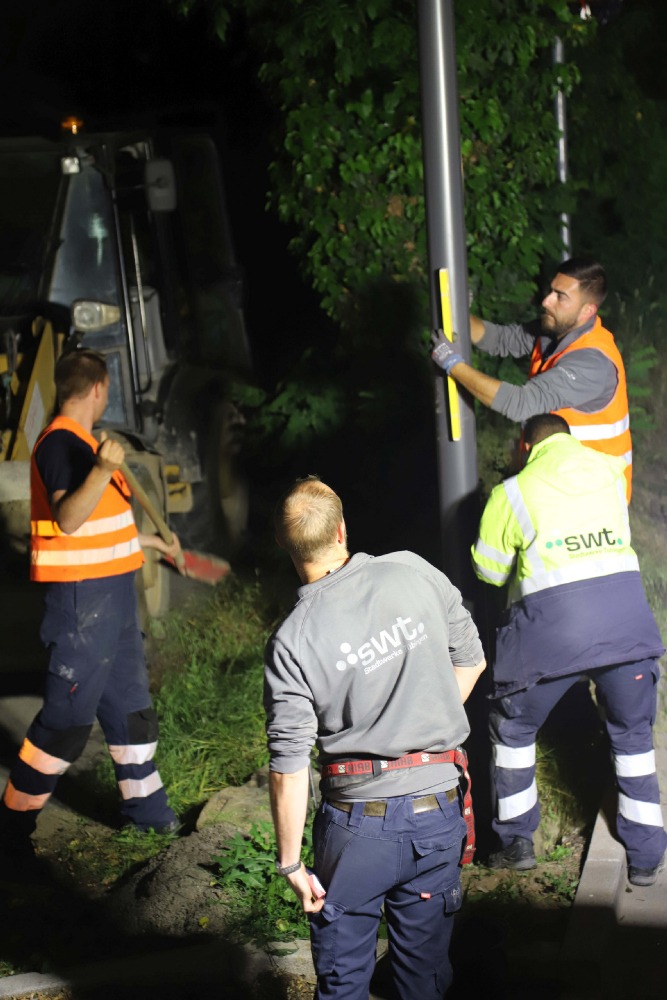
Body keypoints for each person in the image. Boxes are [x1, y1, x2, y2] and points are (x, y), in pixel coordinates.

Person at [264, 477, 486, 1000]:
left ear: (284, 545)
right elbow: (472, 660)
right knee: (423, 978)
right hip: (438, 814)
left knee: (343, 983)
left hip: (356, 833)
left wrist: (290, 862)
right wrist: (424, 724)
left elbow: (288, 767)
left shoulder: (292, 640)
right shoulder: (412, 569)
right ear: (342, 530)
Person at [0, 348, 181, 863]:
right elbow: (69, 521)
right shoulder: (62, 443)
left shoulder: (86, 446)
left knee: (131, 712)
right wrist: (102, 469)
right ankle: (11, 830)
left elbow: (101, 533)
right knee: (66, 720)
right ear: (100, 389)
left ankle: (148, 817)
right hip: (81, 603)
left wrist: (153, 545)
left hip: (113, 597)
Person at [472, 412, 666, 886]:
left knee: (514, 728)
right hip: (626, 627)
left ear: (526, 447)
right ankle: (646, 858)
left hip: (551, 635)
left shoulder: (512, 493)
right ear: (569, 440)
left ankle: (516, 842)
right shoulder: (608, 474)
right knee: (633, 738)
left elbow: (489, 571)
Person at [431, 258, 632, 498]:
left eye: (560, 296)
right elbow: (501, 339)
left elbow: (520, 404)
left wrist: (453, 365)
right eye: (550, 290)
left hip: (592, 498)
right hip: (555, 483)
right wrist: (460, 315)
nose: (546, 301)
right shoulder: (554, 330)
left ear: (587, 310)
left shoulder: (592, 364)